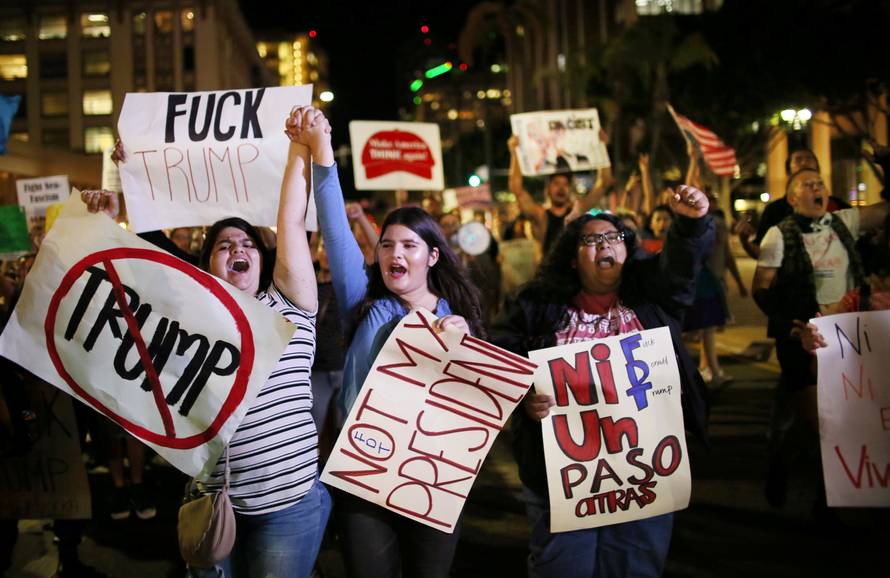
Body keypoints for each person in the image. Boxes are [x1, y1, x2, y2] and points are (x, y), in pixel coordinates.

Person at [83, 105, 330, 578]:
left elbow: (292, 222)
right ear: (206, 268)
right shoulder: (189, 319)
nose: (238, 248)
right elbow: (151, 256)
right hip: (212, 505)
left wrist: (302, 145)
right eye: (223, 245)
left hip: (288, 506)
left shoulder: (290, 306)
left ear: (264, 260)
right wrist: (127, 183)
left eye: (248, 244)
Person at [294, 107, 484, 578]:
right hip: (364, 473)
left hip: (435, 478)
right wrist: (320, 154)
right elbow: (336, 227)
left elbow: (483, 403)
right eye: (386, 245)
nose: (394, 253)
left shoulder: (457, 319)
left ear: (432, 255)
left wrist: (465, 350)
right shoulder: (363, 301)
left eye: (408, 245)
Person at [490, 186, 713, 578]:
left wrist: (690, 224)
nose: (604, 246)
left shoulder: (654, 299)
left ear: (628, 252)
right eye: (591, 240)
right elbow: (502, 355)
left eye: (614, 238)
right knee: (562, 567)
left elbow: (680, 267)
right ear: (574, 259)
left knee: (634, 567)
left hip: (644, 473)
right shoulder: (537, 306)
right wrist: (527, 395)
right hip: (559, 477)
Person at [751, 167, 889, 510]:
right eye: (807, 185)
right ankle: (818, 494)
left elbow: (886, 211)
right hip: (805, 338)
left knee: (840, 421)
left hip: (849, 337)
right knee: (821, 424)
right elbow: (761, 289)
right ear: (793, 197)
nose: (817, 188)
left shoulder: (845, 222)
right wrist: (790, 326)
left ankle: (809, 481)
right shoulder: (777, 236)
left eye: (820, 183)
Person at [508, 134, 612, 256]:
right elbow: (516, 189)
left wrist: (602, 147)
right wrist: (515, 152)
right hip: (548, 274)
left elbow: (604, 184)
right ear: (547, 189)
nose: (561, 189)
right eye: (556, 183)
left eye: (566, 184)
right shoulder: (541, 216)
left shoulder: (577, 211)